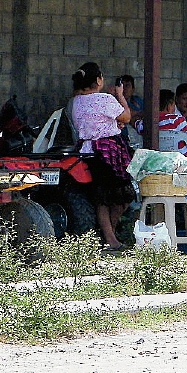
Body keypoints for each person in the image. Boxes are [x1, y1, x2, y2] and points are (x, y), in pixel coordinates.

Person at [70, 62, 134, 251]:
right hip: (108, 152)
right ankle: (110, 237)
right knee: (123, 195)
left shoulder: (76, 101)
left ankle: (108, 236)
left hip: (88, 152)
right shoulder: (105, 99)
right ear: (98, 80)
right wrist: (121, 96)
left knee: (102, 198)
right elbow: (126, 117)